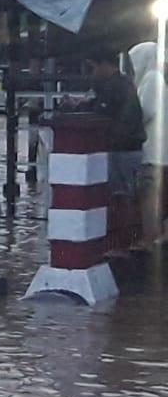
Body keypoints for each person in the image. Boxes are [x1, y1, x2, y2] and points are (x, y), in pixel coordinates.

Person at [68, 48, 146, 199]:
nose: (92, 73)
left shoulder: (114, 87)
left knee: (120, 196)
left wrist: (81, 106)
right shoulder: (122, 84)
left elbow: (101, 114)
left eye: (93, 68)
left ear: (103, 64)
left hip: (122, 151)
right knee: (128, 196)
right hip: (128, 149)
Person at [128, 42, 168, 249]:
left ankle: (149, 238)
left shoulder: (152, 79)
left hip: (153, 150)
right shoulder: (157, 78)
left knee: (149, 196)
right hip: (161, 150)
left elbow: (145, 111)